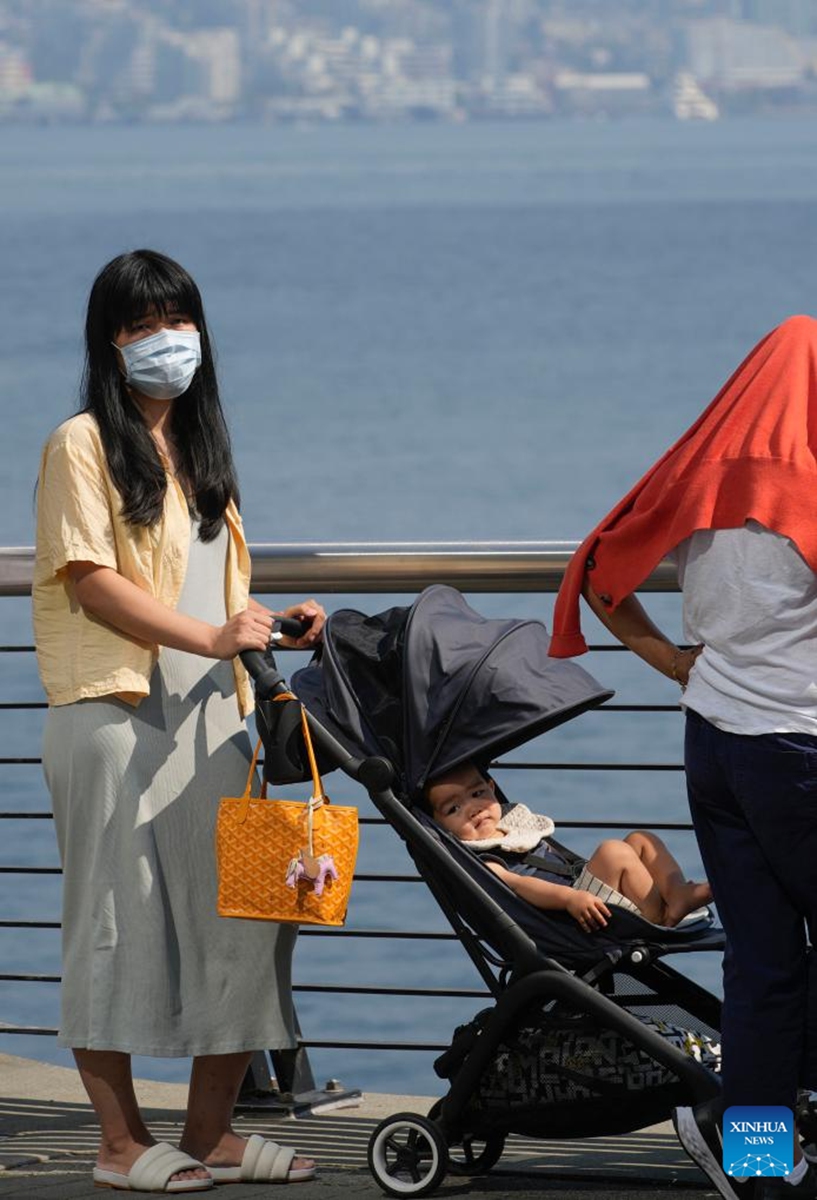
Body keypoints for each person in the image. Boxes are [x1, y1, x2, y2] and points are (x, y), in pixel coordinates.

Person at [33, 249, 324, 1194]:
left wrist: (266, 624)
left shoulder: (202, 451)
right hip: (114, 712)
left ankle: (211, 1134)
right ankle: (119, 1145)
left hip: (212, 716)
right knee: (112, 921)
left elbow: (209, 587)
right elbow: (94, 583)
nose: (165, 340)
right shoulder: (80, 443)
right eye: (140, 324)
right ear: (109, 341)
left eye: (177, 319)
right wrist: (207, 631)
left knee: (252, 913)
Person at [549, 314, 817, 1200]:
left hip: (716, 744)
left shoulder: (702, 473)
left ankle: (758, 1169)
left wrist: (667, 659)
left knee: (762, 966)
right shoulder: (806, 480)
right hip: (798, 750)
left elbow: (598, 571)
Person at [423, 761, 711, 929]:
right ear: (438, 824)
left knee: (641, 839)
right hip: (572, 916)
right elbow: (519, 885)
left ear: (492, 786)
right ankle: (659, 917)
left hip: (588, 895)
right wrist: (568, 899)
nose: (473, 808)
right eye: (453, 809)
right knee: (612, 852)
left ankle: (677, 893)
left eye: (477, 793)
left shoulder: (513, 829)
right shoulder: (483, 860)